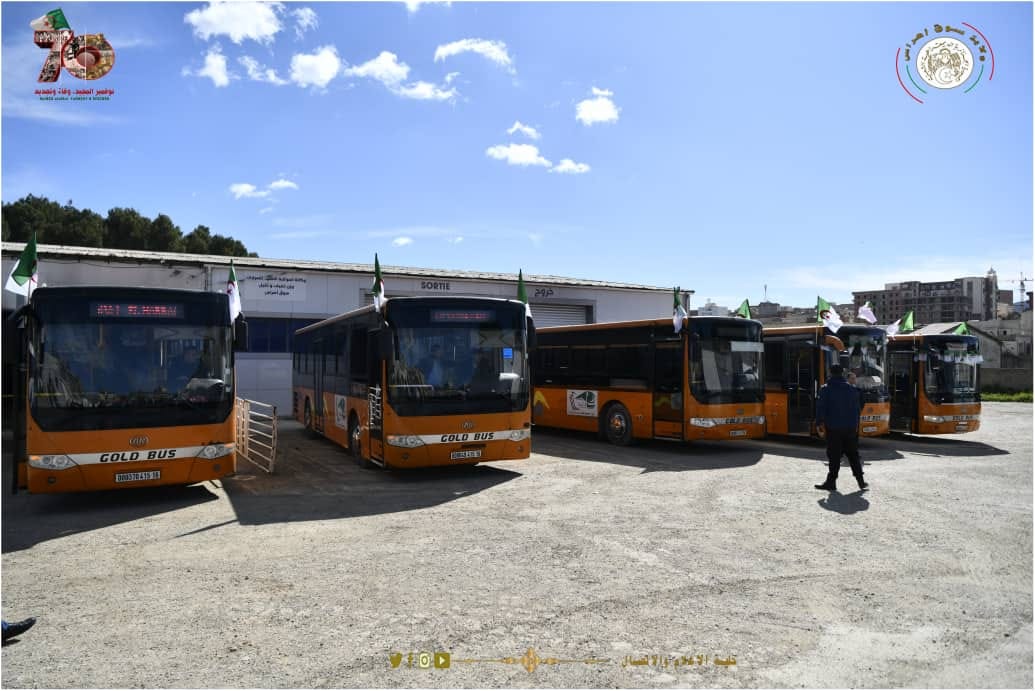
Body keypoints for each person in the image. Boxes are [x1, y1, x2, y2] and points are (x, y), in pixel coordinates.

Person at [815, 363, 867, 492]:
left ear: (830, 373)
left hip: (834, 427)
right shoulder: (852, 389)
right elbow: (858, 407)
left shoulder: (826, 389)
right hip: (850, 427)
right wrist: (854, 423)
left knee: (834, 455)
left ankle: (831, 482)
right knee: (853, 454)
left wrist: (819, 424)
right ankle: (860, 481)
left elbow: (821, 408)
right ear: (843, 373)